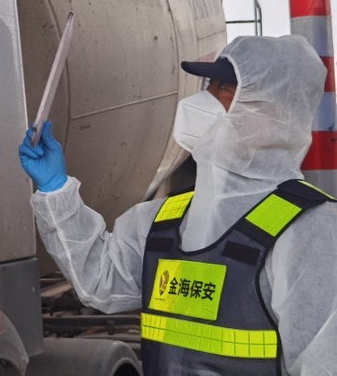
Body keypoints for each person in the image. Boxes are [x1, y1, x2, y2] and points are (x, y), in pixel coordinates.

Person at [19, 35, 337, 375]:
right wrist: (57, 190)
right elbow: (100, 282)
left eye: (224, 89)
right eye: (209, 85)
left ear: (273, 114)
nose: (204, 99)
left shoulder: (309, 229)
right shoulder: (165, 219)